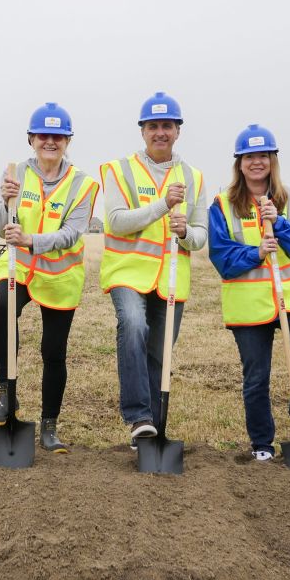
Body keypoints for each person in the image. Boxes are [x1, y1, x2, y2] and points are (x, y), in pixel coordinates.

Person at [0, 103, 99, 453]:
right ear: (31, 139)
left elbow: (72, 235)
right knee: (3, 309)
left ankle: (49, 426)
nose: (50, 141)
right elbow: (3, 225)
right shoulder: (16, 172)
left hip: (60, 276)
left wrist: (31, 240)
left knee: (53, 351)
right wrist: (4, 201)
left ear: (67, 141)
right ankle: (6, 397)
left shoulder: (83, 184)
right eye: (43, 135)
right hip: (18, 268)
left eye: (58, 136)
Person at [208, 125, 290, 462]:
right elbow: (221, 258)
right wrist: (256, 252)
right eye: (249, 157)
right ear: (239, 163)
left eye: (263, 155)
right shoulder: (222, 204)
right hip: (248, 300)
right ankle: (262, 442)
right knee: (256, 375)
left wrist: (282, 223)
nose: (257, 162)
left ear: (273, 160)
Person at [99, 91, 208, 447]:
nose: (160, 132)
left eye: (167, 126)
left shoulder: (194, 177)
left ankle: (152, 432)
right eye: (153, 126)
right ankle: (138, 416)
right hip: (127, 271)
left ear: (178, 131)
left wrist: (186, 233)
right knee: (132, 325)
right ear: (142, 131)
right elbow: (115, 222)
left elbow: (200, 235)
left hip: (171, 278)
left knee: (160, 353)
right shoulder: (120, 170)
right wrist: (162, 205)